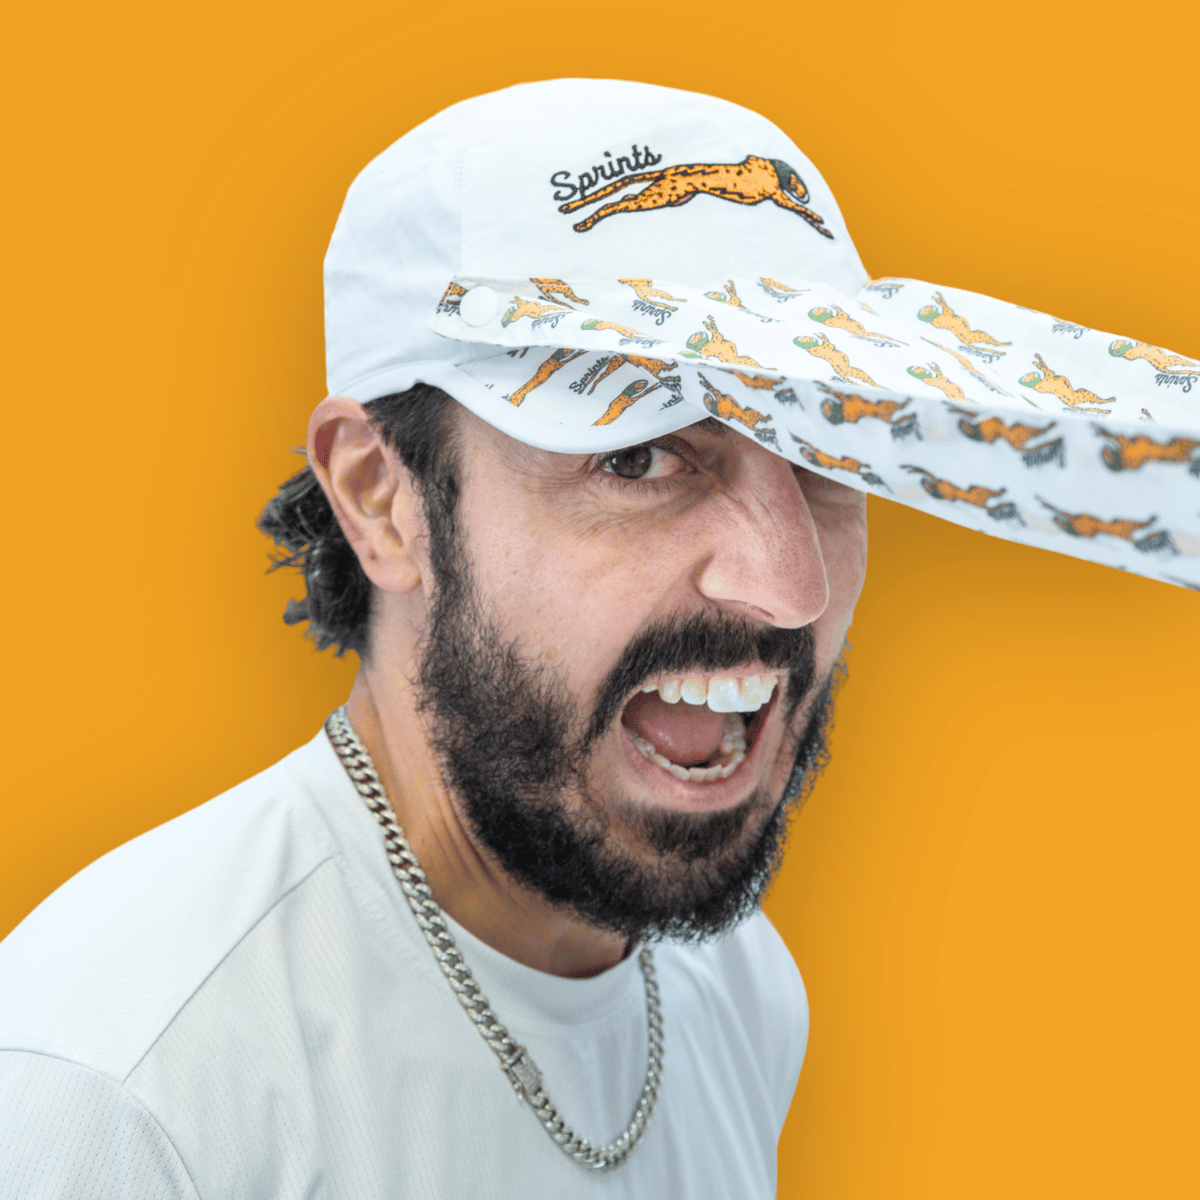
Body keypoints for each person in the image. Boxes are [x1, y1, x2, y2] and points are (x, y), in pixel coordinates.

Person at [0, 78, 1194, 1199]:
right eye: (637, 457)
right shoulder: (116, 1087)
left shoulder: (736, 987)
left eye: (826, 460)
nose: (790, 588)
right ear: (381, 497)